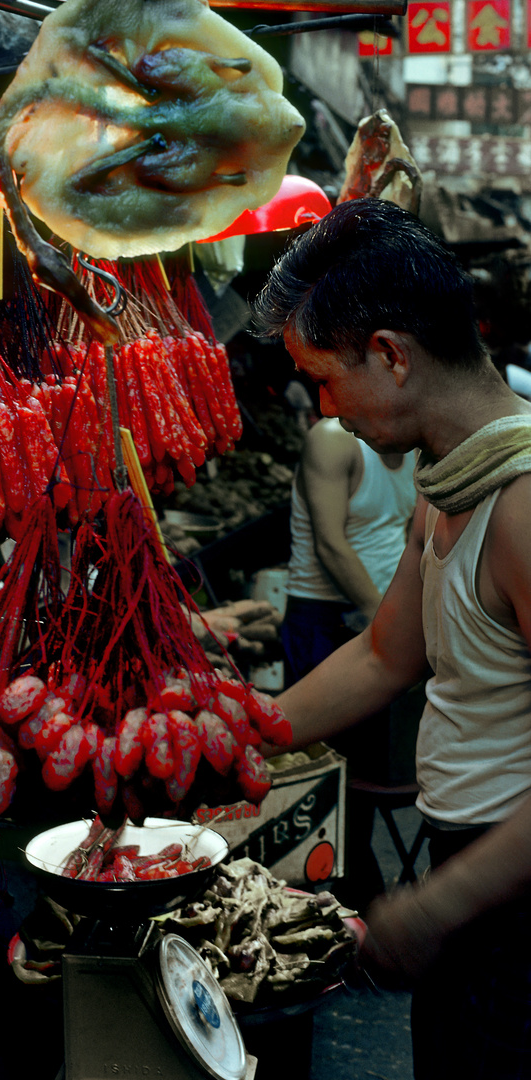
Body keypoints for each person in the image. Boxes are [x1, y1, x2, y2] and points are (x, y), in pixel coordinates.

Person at [250, 196, 531, 1080]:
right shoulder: (448, 482)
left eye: (326, 381)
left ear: (390, 355)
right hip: (468, 875)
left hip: (508, 897)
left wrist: (437, 903)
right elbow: (384, 655)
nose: (326, 413)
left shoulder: (521, 505)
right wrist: (240, 745)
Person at [283, 415, 417, 910]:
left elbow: (405, 535)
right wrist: (383, 619)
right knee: (327, 773)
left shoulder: (413, 447)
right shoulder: (333, 441)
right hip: (324, 620)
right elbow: (330, 544)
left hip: (380, 615)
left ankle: (352, 895)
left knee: (366, 773)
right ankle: (344, 896)